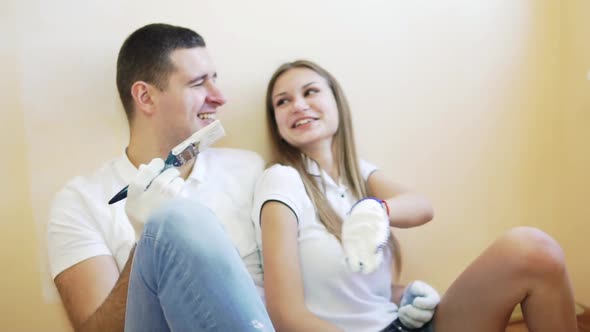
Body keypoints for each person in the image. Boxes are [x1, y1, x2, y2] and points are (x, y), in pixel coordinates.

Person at [253, 59, 578, 332]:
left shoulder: (359, 177)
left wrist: (402, 293)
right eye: (283, 101)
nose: (298, 105)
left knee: (534, 250)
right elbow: (285, 315)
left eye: (310, 91)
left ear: (337, 103)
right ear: (277, 124)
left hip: (401, 324)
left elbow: (421, 207)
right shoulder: (282, 181)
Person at [47, 23, 274, 332]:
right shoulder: (81, 201)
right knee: (173, 222)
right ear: (146, 97)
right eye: (198, 84)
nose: (219, 97)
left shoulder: (248, 170)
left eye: (215, 81)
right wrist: (146, 242)